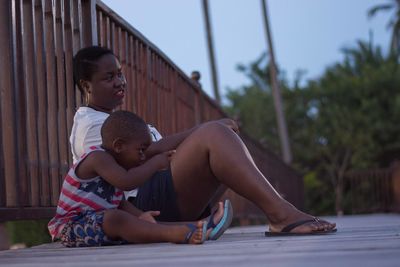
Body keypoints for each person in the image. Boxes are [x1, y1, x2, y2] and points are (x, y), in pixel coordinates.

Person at [71, 46, 336, 236]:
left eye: (120, 74)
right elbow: (135, 164)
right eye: (109, 78)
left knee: (222, 140)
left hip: (156, 195)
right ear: (87, 86)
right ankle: (281, 214)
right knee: (214, 135)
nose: (120, 82)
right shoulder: (93, 125)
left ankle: (278, 209)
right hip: (141, 207)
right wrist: (203, 130)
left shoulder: (109, 119)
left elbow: (148, 153)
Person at [48, 110, 233, 247]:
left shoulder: (115, 164)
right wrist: (156, 163)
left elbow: (119, 202)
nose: (144, 156)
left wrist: (140, 215)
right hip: (71, 228)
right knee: (116, 219)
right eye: (141, 150)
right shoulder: (98, 158)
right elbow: (127, 181)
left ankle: (199, 227)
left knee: (139, 221)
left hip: (97, 224)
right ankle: (177, 234)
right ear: (119, 146)